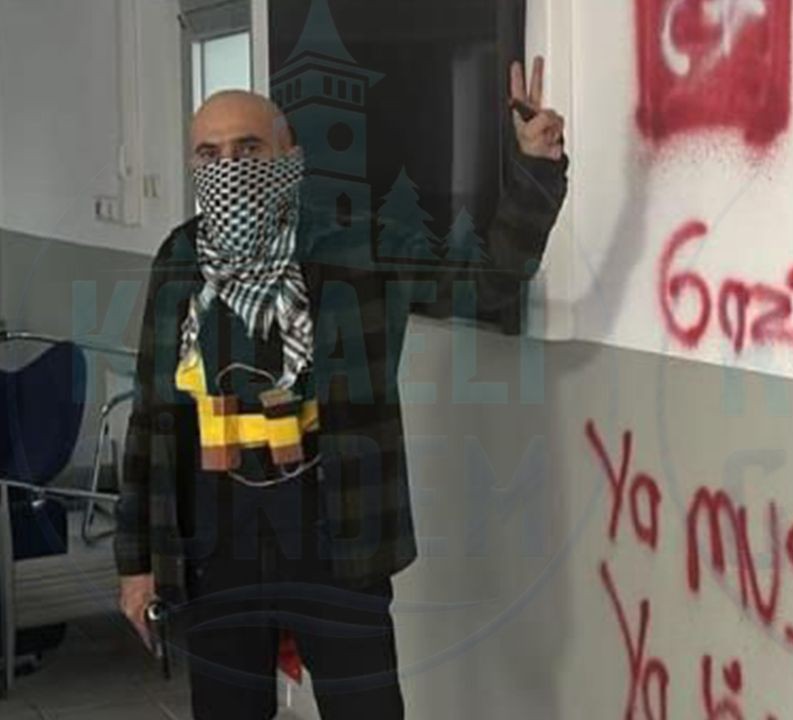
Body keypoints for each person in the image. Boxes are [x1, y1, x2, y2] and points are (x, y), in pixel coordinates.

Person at [113, 58, 568, 719]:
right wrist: (136, 564)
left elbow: (488, 282)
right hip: (214, 549)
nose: (230, 168)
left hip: (337, 541)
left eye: (249, 148)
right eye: (210, 154)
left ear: (288, 155)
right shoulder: (179, 260)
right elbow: (152, 419)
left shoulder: (359, 244)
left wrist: (535, 169)